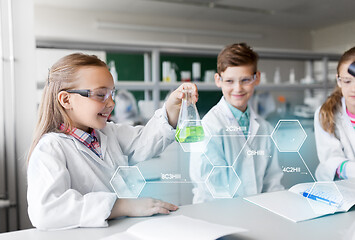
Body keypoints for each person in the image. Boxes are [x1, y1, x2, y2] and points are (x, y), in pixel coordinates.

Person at [27, 53, 198, 230]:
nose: (111, 103)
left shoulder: (108, 132)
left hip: (119, 230)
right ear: (66, 100)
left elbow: (144, 142)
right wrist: (121, 206)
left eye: (111, 94)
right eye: (101, 95)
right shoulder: (51, 148)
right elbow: (46, 211)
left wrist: (170, 109)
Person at [190, 43, 284, 203]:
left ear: (257, 78)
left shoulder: (265, 128)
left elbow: (272, 181)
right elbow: (212, 189)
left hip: (259, 214)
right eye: (229, 81)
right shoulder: (209, 127)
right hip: (218, 215)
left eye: (245, 80)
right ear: (218, 80)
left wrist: (277, 207)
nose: (238, 88)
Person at [314, 46, 355, 181]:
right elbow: (330, 162)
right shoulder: (326, 114)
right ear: (339, 81)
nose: (353, 89)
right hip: (345, 192)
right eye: (347, 81)